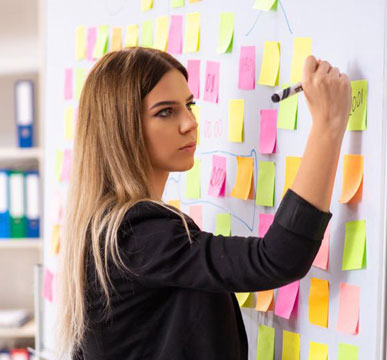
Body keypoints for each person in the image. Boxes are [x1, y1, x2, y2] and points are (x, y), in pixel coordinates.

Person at [55, 47, 351, 360]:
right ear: (121, 128)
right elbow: (278, 258)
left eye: (189, 105)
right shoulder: (135, 235)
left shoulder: (107, 227)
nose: (189, 123)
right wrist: (328, 125)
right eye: (166, 112)